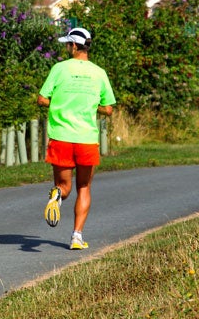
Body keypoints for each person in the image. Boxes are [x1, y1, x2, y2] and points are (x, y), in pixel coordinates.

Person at [37, 27, 116, 250]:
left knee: (64, 185)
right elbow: (108, 109)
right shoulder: (99, 72)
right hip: (86, 139)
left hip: (61, 136)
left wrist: (59, 105)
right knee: (84, 187)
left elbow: (42, 99)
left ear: (74, 46)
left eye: (67, 45)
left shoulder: (59, 69)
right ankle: (76, 236)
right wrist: (91, 106)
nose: (66, 48)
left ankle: (57, 195)